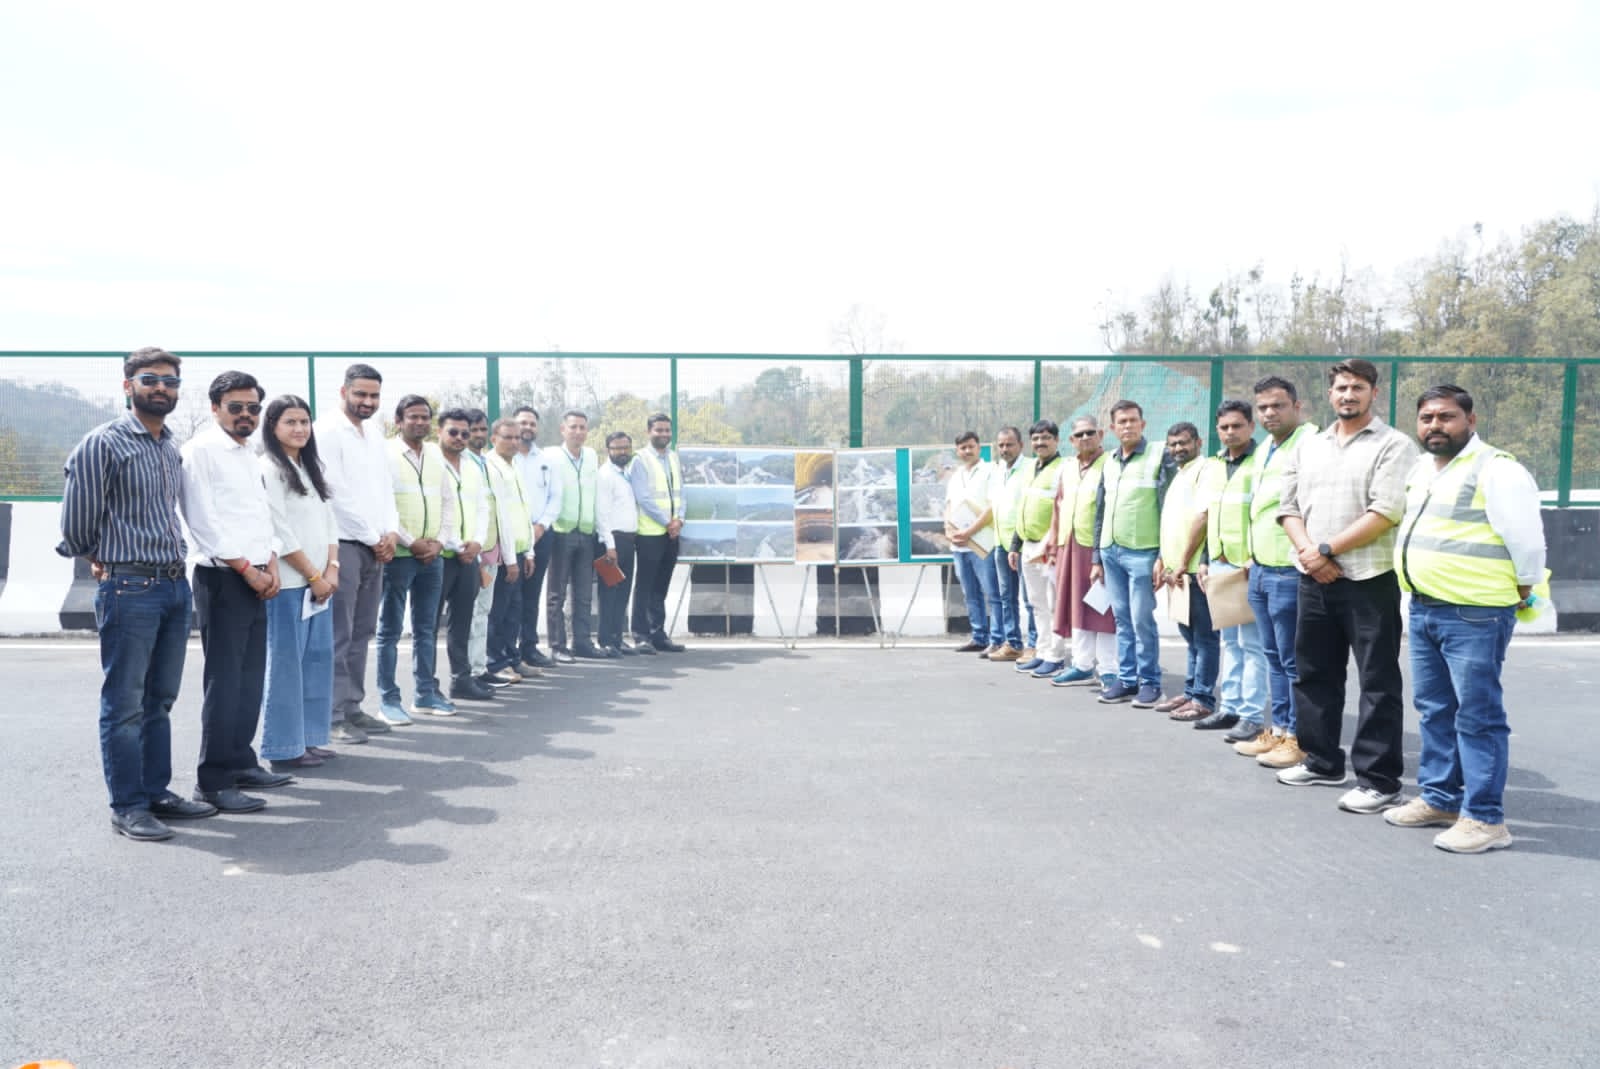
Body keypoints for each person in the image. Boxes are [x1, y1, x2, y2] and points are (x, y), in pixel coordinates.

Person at [58, 347, 215, 840]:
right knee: (124, 703)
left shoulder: (169, 446)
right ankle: (128, 806)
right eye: (151, 379)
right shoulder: (103, 443)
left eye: (170, 381)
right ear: (128, 386)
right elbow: (76, 524)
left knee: (160, 699)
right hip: (129, 587)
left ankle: (156, 792)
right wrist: (99, 555)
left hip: (173, 585)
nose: (161, 388)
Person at [1386, 385, 1546, 853]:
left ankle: (1485, 818)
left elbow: (1527, 539)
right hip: (1425, 607)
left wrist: (1523, 587)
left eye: (1446, 417)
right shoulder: (1424, 469)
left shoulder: (1497, 469)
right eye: (1427, 418)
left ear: (1470, 421)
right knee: (1435, 710)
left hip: (1475, 613)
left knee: (1478, 717)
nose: (1435, 425)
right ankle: (1440, 798)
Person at [1275, 359, 1417, 815]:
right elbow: (1287, 507)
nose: (1348, 395)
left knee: (1377, 681)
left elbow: (1386, 511)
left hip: (1368, 581)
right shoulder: (1309, 446)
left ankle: (1379, 781)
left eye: (1357, 387)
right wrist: (1310, 554)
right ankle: (1322, 760)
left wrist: (1326, 551)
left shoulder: (1394, 445)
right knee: (1314, 673)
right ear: (1330, 394)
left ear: (1374, 393)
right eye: (1341, 388)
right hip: (1313, 578)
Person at [179, 370, 293, 814]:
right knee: (224, 682)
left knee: (249, 678)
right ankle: (212, 781)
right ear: (215, 408)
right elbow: (203, 522)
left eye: (253, 408)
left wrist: (271, 560)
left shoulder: (249, 453)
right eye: (236, 407)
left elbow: (259, 516)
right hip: (223, 578)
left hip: (258, 575)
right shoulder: (201, 452)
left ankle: (242, 762)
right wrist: (247, 568)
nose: (246, 415)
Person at [1236, 377, 1317, 767]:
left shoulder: (1310, 443)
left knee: (1292, 659)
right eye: (1263, 407)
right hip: (1261, 567)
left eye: (1278, 406)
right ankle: (1280, 729)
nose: (1270, 413)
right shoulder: (1266, 447)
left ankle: (1299, 737)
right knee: (1272, 655)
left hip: (1288, 568)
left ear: (1297, 407)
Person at [317, 363, 400, 743]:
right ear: (343, 392)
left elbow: (386, 488)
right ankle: (332, 715)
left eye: (374, 396)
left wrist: (391, 532)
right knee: (340, 632)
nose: (367, 402)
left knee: (362, 630)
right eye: (360, 394)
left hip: (375, 547)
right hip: (345, 544)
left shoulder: (374, 434)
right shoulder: (326, 431)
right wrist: (372, 537)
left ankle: (352, 707)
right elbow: (334, 492)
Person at [259, 394, 340, 771]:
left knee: (317, 661)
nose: (299, 429)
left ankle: (308, 739)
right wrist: (313, 575)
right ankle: (282, 748)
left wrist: (332, 569)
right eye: (290, 422)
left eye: (304, 422)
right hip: (292, 585)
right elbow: (279, 529)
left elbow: (329, 523)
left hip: (320, 586)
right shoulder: (269, 469)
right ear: (273, 427)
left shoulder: (309, 468)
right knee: (286, 667)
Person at [375, 395, 460, 722]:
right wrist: (412, 543)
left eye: (425, 417)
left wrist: (439, 542)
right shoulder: (385, 453)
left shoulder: (436, 455)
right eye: (413, 416)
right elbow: (383, 505)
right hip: (399, 556)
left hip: (432, 558)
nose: (420, 422)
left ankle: (425, 694)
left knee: (427, 628)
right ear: (399, 421)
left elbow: (448, 501)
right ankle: (388, 700)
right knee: (390, 631)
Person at [1092, 400, 1177, 707]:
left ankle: (1150, 682)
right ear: (1113, 428)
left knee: (1142, 620)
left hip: (1143, 552)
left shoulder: (1159, 455)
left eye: (1132, 420)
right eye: (1122, 422)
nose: (1127, 426)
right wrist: (1097, 557)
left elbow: (1169, 507)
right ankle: (1127, 679)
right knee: (1122, 619)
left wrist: (1163, 556)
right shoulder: (1109, 461)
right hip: (1111, 550)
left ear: (1143, 424)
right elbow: (1100, 510)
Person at [1195, 401, 1268, 744]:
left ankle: (1251, 716)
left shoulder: (1261, 462)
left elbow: (1267, 513)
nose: (1230, 432)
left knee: (1252, 644)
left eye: (1237, 426)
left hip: (1248, 566)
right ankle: (1231, 708)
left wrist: (1257, 556)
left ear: (1251, 426)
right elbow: (1210, 515)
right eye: (1224, 427)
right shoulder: (1214, 465)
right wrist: (1204, 559)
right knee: (1230, 642)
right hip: (1220, 563)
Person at [1150, 423, 1216, 723]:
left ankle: (1202, 698)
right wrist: (1162, 559)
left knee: (1204, 638)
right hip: (1175, 571)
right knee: (1190, 637)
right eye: (1173, 444)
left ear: (1198, 442)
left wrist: (1184, 561)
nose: (1178, 448)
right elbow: (1172, 522)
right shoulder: (1178, 475)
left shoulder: (1206, 470)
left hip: (1191, 572)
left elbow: (1203, 518)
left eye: (1184, 443)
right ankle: (1190, 692)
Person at [1047, 416, 1116, 688]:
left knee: (1102, 606)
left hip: (1098, 546)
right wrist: (1054, 545)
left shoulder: (1110, 463)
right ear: (1071, 440)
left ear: (1101, 434)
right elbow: (1058, 506)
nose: (1085, 438)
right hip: (1070, 545)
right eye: (1079, 434)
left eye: (1090, 433)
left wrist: (1102, 553)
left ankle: (1109, 668)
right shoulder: (1067, 468)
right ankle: (1082, 664)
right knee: (1076, 606)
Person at [437, 407, 495, 701]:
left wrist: (477, 543)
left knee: (462, 622)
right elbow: (435, 509)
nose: (460, 437)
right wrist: (456, 545)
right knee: (429, 626)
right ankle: (427, 686)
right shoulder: (431, 464)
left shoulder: (472, 467)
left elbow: (482, 508)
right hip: (440, 556)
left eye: (465, 433)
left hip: (470, 556)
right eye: (453, 432)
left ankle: (461, 679)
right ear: (439, 432)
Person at [1007, 421, 1066, 678]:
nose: (1040, 443)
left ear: (1056, 440)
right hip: (1028, 545)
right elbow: (1023, 508)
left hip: (1049, 547)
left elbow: (1063, 510)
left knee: (1053, 604)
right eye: (1036, 439)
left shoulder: (1063, 468)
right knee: (1037, 603)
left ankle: (1056, 656)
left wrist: (1050, 544)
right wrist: (1015, 545)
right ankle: (1042, 651)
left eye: (1046, 438)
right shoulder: (1030, 468)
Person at [544, 410, 604, 662]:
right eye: (573, 427)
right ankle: (557, 645)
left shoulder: (591, 456)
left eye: (582, 427)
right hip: (560, 532)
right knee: (556, 593)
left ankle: (582, 641)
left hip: (586, 532)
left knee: (584, 593)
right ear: (563, 430)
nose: (578, 432)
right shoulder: (551, 456)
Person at [630, 412, 687, 653]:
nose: (664, 434)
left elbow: (681, 492)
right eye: (659, 430)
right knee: (645, 586)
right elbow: (643, 497)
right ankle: (641, 635)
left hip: (671, 534)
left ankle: (658, 633)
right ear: (648, 432)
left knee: (661, 586)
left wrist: (679, 519)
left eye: (667, 430)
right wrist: (667, 522)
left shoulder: (673, 457)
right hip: (650, 534)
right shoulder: (640, 459)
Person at [485, 418, 535, 683]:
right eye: (508, 437)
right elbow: (501, 517)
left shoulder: (514, 466)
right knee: (498, 612)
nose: (514, 442)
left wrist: (529, 551)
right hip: (504, 555)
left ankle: (513, 659)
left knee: (514, 612)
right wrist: (510, 559)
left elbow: (524, 512)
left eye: (517, 437)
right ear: (494, 438)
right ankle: (495, 663)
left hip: (519, 550)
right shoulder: (491, 467)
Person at [463, 409, 509, 692]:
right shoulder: (461, 463)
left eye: (482, 429)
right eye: (473, 430)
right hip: (472, 552)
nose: (478, 435)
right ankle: (468, 672)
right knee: (471, 615)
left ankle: (480, 669)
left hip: (490, 549)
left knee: (483, 612)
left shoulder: (486, 464)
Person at [944, 431, 999, 655]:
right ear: (957, 451)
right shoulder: (956, 476)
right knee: (970, 593)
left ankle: (998, 639)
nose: (967, 451)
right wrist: (949, 531)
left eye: (971, 446)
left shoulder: (991, 470)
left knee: (992, 592)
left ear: (979, 447)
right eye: (963, 447)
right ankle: (979, 637)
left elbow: (992, 507)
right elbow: (949, 506)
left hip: (982, 543)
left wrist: (969, 531)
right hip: (959, 545)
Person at [513, 406, 558, 669]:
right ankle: (508, 652)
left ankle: (528, 648)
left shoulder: (546, 460)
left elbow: (556, 497)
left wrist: (542, 525)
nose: (527, 427)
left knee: (532, 595)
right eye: (523, 423)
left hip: (541, 535)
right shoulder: (505, 457)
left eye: (532, 423)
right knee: (511, 597)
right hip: (512, 537)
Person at [986, 426, 1033, 663]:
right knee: (1007, 597)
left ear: (1021, 445)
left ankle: (1034, 644)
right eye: (1001, 445)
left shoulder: (1030, 468)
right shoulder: (997, 471)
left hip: (1024, 543)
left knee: (1030, 598)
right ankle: (1013, 643)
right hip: (1001, 543)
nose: (1005, 449)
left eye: (1009, 444)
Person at [596, 431, 641, 656]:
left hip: (628, 541)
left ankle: (618, 638)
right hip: (612, 542)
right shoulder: (605, 475)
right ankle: (606, 641)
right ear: (608, 450)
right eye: (617, 448)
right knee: (609, 593)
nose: (622, 452)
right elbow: (602, 513)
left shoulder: (626, 473)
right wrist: (610, 546)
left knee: (623, 592)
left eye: (626, 447)